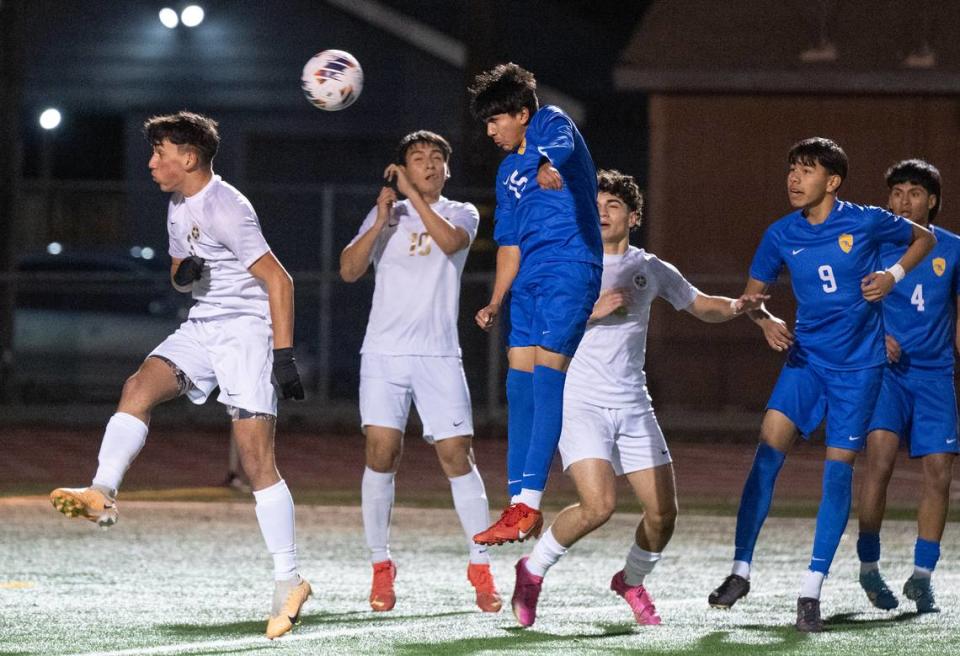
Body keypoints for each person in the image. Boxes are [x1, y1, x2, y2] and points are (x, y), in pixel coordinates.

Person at [49, 111, 310, 639]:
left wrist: (282, 357)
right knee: (137, 388)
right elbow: (179, 276)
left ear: (187, 158)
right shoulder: (176, 205)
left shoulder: (228, 206)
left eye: (159, 153)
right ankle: (102, 491)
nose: (150, 163)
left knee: (258, 462)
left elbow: (279, 281)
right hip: (204, 326)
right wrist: (185, 275)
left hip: (244, 334)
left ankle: (290, 579)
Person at [510, 169, 767, 628]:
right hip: (579, 402)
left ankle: (630, 580)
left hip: (632, 403)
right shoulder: (569, 263)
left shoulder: (650, 267)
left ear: (633, 217)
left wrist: (734, 307)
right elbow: (538, 330)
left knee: (663, 514)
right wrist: (592, 310)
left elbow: (698, 303)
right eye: (597, 205)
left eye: (613, 206)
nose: (603, 213)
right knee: (599, 507)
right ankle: (532, 570)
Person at [706, 137, 935, 632]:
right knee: (767, 453)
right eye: (791, 169)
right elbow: (752, 298)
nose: (793, 178)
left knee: (837, 472)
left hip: (859, 370)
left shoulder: (867, 219)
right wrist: (763, 319)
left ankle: (811, 589)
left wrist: (893, 275)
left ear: (832, 182)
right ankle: (740, 570)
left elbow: (925, 239)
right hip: (806, 362)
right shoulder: (779, 234)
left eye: (806, 171)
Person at [339, 130, 501, 614]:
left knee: (456, 455)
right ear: (403, 166)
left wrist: (410, 196)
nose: (429, 165)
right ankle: (381, 566)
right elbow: (349, 270)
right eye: (418, 158)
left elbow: (450, 242)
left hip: (437, 355)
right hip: (384, 354)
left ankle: (480, 566)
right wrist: (382, 219)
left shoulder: (461, 213)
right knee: (381, 452)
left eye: (436, 159)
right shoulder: (386, 214)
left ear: (447, 170)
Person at [469, 63, 603, 545]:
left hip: (570, 268)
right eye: (485, 124)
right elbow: (508, 244)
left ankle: (530, 504)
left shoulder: (551, 124)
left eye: (495, 121)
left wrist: (549, 163)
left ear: (522, 113)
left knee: (547, 374)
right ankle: (516, 506)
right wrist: (495, 299)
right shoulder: (507, 172)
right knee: (518, 380)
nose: (490, 131)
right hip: (526, 282)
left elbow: (563, 147)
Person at [857, 159, 958, 613]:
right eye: (896, 192)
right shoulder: (872, 245)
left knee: (939, 473)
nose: (903, 200)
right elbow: (848, 305)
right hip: (886, 376)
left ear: (932, 200)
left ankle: (922, 577)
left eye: (914, 192)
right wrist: (878, 336)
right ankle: (868, 566)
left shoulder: (953, 249)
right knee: (878, 464)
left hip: (935, 378)